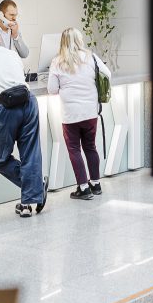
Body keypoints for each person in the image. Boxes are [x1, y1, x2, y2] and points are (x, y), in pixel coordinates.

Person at [0, 24, 48, 217]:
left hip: (4, 107)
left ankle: (33, 194)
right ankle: (31, 195)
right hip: (28, 101)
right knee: (30, 152)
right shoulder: (12, 54)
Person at [47, 28, 111, 200]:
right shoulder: (91, 57)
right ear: (80, 40)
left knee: (74, 149)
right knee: (90, 147)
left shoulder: (57, 61)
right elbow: (107, 74)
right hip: (90, 112)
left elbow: (52, 89)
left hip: (71, 115)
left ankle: (83, 188)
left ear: (63, 42)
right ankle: (95, 184)